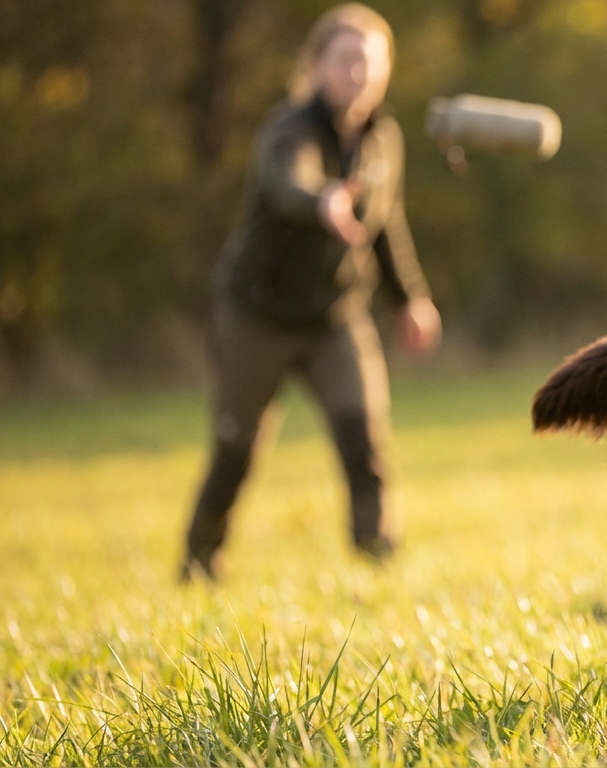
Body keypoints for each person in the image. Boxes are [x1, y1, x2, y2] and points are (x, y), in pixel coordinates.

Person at [181, 3, 440, 581]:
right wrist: (322, 199)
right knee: (236, 450)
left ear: (385, 71)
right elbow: (287, 181)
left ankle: (376, 555)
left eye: (370, 63)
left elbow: (386, 227)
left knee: (363, 436)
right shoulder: (288, 129)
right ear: (317, 64)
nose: (359, 74)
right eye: (345, 60)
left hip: (333, 317)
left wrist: (410, 301)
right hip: (257, 315)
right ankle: (200, 560)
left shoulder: (384, 140)